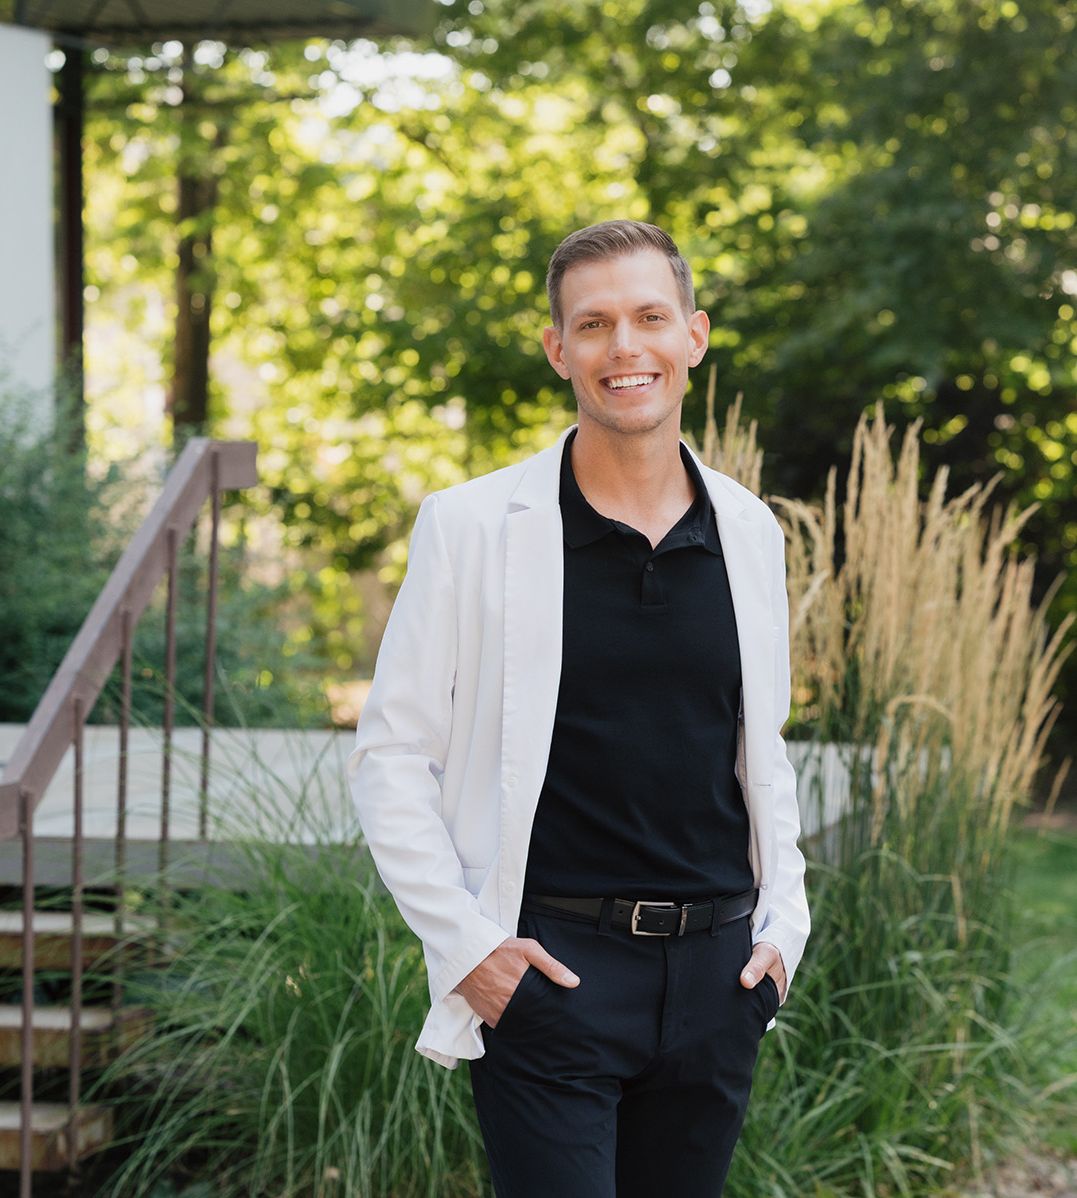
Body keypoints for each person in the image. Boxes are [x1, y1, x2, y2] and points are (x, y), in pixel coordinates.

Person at [348, 219, 809, 1198]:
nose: (624, 347)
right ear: (560, 350)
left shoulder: (750, 532)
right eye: (593, 324)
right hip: (552, 974)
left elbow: (761, 749)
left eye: (649, 317)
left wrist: (781, 937)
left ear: (695, 334)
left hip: (721, 978)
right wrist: (471, 952)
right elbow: (391, 757)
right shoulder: (473, 527)